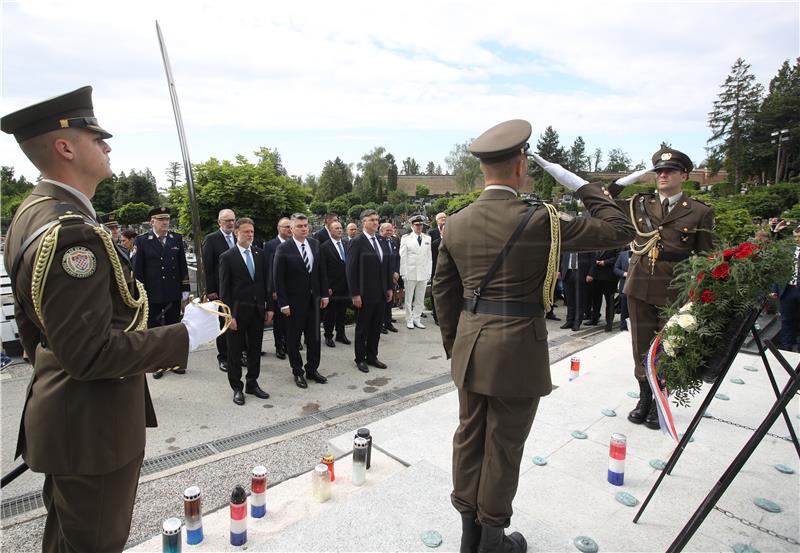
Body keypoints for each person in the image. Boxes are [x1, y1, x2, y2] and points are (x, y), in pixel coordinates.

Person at [0, 86, 221, 552]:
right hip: (91, 429)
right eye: (95, 138)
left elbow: (32, 333)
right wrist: (186, 334)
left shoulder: (33, 212)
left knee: (68, 541)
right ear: (65, 147)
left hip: (66, 417)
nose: (107, 146)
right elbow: (90, 353)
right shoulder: (71, 235)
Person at [433, 119, 635, 553]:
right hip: (518, 349)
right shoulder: (543, 221)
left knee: (469, 436)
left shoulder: (457, 223)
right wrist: (579, 183)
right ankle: (492, 541)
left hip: (470, 348)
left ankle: (469, 539)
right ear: (521, 166)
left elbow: (444, 295)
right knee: (503, 445)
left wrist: (457, 349)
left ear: (484, 169)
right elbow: (619, 229)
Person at [607, 147, 715, 430]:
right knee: (641, 346)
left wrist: (699, 295)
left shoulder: (699, 211)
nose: (662, 175)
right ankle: (644, 398)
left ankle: (658, 402)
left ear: (684, 175)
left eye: (669, 171)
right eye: (658, 171)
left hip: (674, 289)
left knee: (668, 347)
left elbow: (705, 257)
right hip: (640, 284)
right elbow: (605, 199)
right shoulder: (639, 204)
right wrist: (630, 178)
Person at [218, 218, 273, 405]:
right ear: (236, 232)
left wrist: (269, 308)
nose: (250, 235)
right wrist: (229, 316)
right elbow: (225, 290)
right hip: (237, 314)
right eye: (246, 232)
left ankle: (252, 382)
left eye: (252, 231)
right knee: (234, 352)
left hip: (257, 311)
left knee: (255, 349)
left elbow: (266, 283)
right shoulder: (228, 257)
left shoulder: (260, 254)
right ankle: (237, 387)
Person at [273, 213, 330, 388]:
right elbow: (278, 278)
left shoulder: (314, 244)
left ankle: (312, 369)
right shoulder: (284, 249)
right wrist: (283, 303)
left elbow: (321, 271)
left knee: (314, 338)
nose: (304, 228)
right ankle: (298, 371)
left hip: (314, 302)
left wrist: (324, 294)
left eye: (306, 225)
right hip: (293, 303)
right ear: (291, 229)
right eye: (299, 226)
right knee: (293, 339)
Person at [346, 209, 393, 373]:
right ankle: (360, 358)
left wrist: (388, 287)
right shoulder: (357, 242)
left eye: (377, 219)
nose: (375, 222)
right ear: (363, 222)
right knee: (362, 328)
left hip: (380, 293)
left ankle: (372, 356)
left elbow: (385, 266)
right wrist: (355, 293)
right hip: (364, 294)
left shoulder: (380, 240)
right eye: (372, 219)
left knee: (375, 327)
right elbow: (351, 270)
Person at [133, 207, 190, 339]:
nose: (165, 222)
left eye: (167, 219)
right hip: (152, 294)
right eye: (161, 219)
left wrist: (185, 288)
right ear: (152, 222)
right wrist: (140, 294)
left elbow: (182, 265)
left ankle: (173, 356)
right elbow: (138, 270)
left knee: (174, 328)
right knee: (154, 330)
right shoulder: (142, 241)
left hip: (173, 292)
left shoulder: (176, 238)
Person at [203, 208, 237, 372]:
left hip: (238, 288)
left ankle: (238, 352)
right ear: (219, 222)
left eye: (232, 220)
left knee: (238, 320)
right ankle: (223, 357)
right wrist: (210, 290)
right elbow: (207, 267)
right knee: (223, 323)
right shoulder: (211, 239)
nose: (230, 223)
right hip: (219, 289)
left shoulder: (239, 236)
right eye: (227, 220)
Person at [263, 217, 292, 360]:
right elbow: (269, 269)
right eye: (286, 227)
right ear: (278, 228)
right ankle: (279, 346)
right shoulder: (270, 245)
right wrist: (273, 290)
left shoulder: (295, 244)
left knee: (291, 319)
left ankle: (290, 343)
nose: (289, 229)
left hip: (293, 289)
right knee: (279, 321)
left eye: (290, 227)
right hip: (278, 289)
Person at [320, 221, 351, 347]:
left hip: (345, 285)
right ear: (330, 230)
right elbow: (323, 269)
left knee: (342, 311)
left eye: (340, 228)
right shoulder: (324, 247)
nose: (339, 230)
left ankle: (341, 334)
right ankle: (328, 335)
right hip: (332, 286)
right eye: (336, 228)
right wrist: (326, 287)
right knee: (330, 313)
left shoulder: (346, 243)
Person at [400, 215, 433, 329]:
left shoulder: (427, 238)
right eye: (417, 225)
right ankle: (409, 319)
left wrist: (429, 272)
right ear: (412, 226)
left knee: (420, 298)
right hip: (410, 272)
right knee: (409, 298)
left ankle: (417, 319)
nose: (419, 227)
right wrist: (403, 273)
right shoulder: (406, 238)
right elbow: (403, 257)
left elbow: (429, 257)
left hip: (423, 273)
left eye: (421, 225)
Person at [770, 227, 800, 351]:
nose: (797, 239)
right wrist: (774, 289)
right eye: (795, 237)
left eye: (799, 237)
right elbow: (779, 269)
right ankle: (785, 349)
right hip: (788, 290)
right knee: (786, 320)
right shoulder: (788, 250)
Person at [587, 248, 620, 331]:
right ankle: (594, 319)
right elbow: (592, 258)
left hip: (609, 277)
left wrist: (605, 262)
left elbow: (618, 257)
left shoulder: (617, 243)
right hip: (597, 276)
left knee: (609, 300)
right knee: (596, 299)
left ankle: (609, 323)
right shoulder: (599, 242)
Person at [559, 251, 593, 331]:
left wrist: (590, 274)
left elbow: (593, 260)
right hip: (567, 273)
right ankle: (569, 321)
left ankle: (577, 322)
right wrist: (559, 271)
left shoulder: (586, 245)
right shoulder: (568, 244)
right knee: (569, 299)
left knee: (579, 299)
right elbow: (560, 258)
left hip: (581, 272)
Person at [381, 222, 400, 333]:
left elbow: (397, 258)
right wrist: (391, 273)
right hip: (384, 276)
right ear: (381, 231)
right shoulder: (379, 243)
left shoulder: (393, 242)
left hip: (393, 276)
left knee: (390, 301)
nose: (389, 232)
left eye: (390, 230)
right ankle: (381, 324)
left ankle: (388, 322)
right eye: (387, 230)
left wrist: (396, 271)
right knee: (383, 301)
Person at [613, 247, 631, 331]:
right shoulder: (623, 255)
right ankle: (623, 327)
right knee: (624, 309)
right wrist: (624, 273)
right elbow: (615, 269)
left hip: (638, 286)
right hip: (624, 286)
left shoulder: (642, 254)